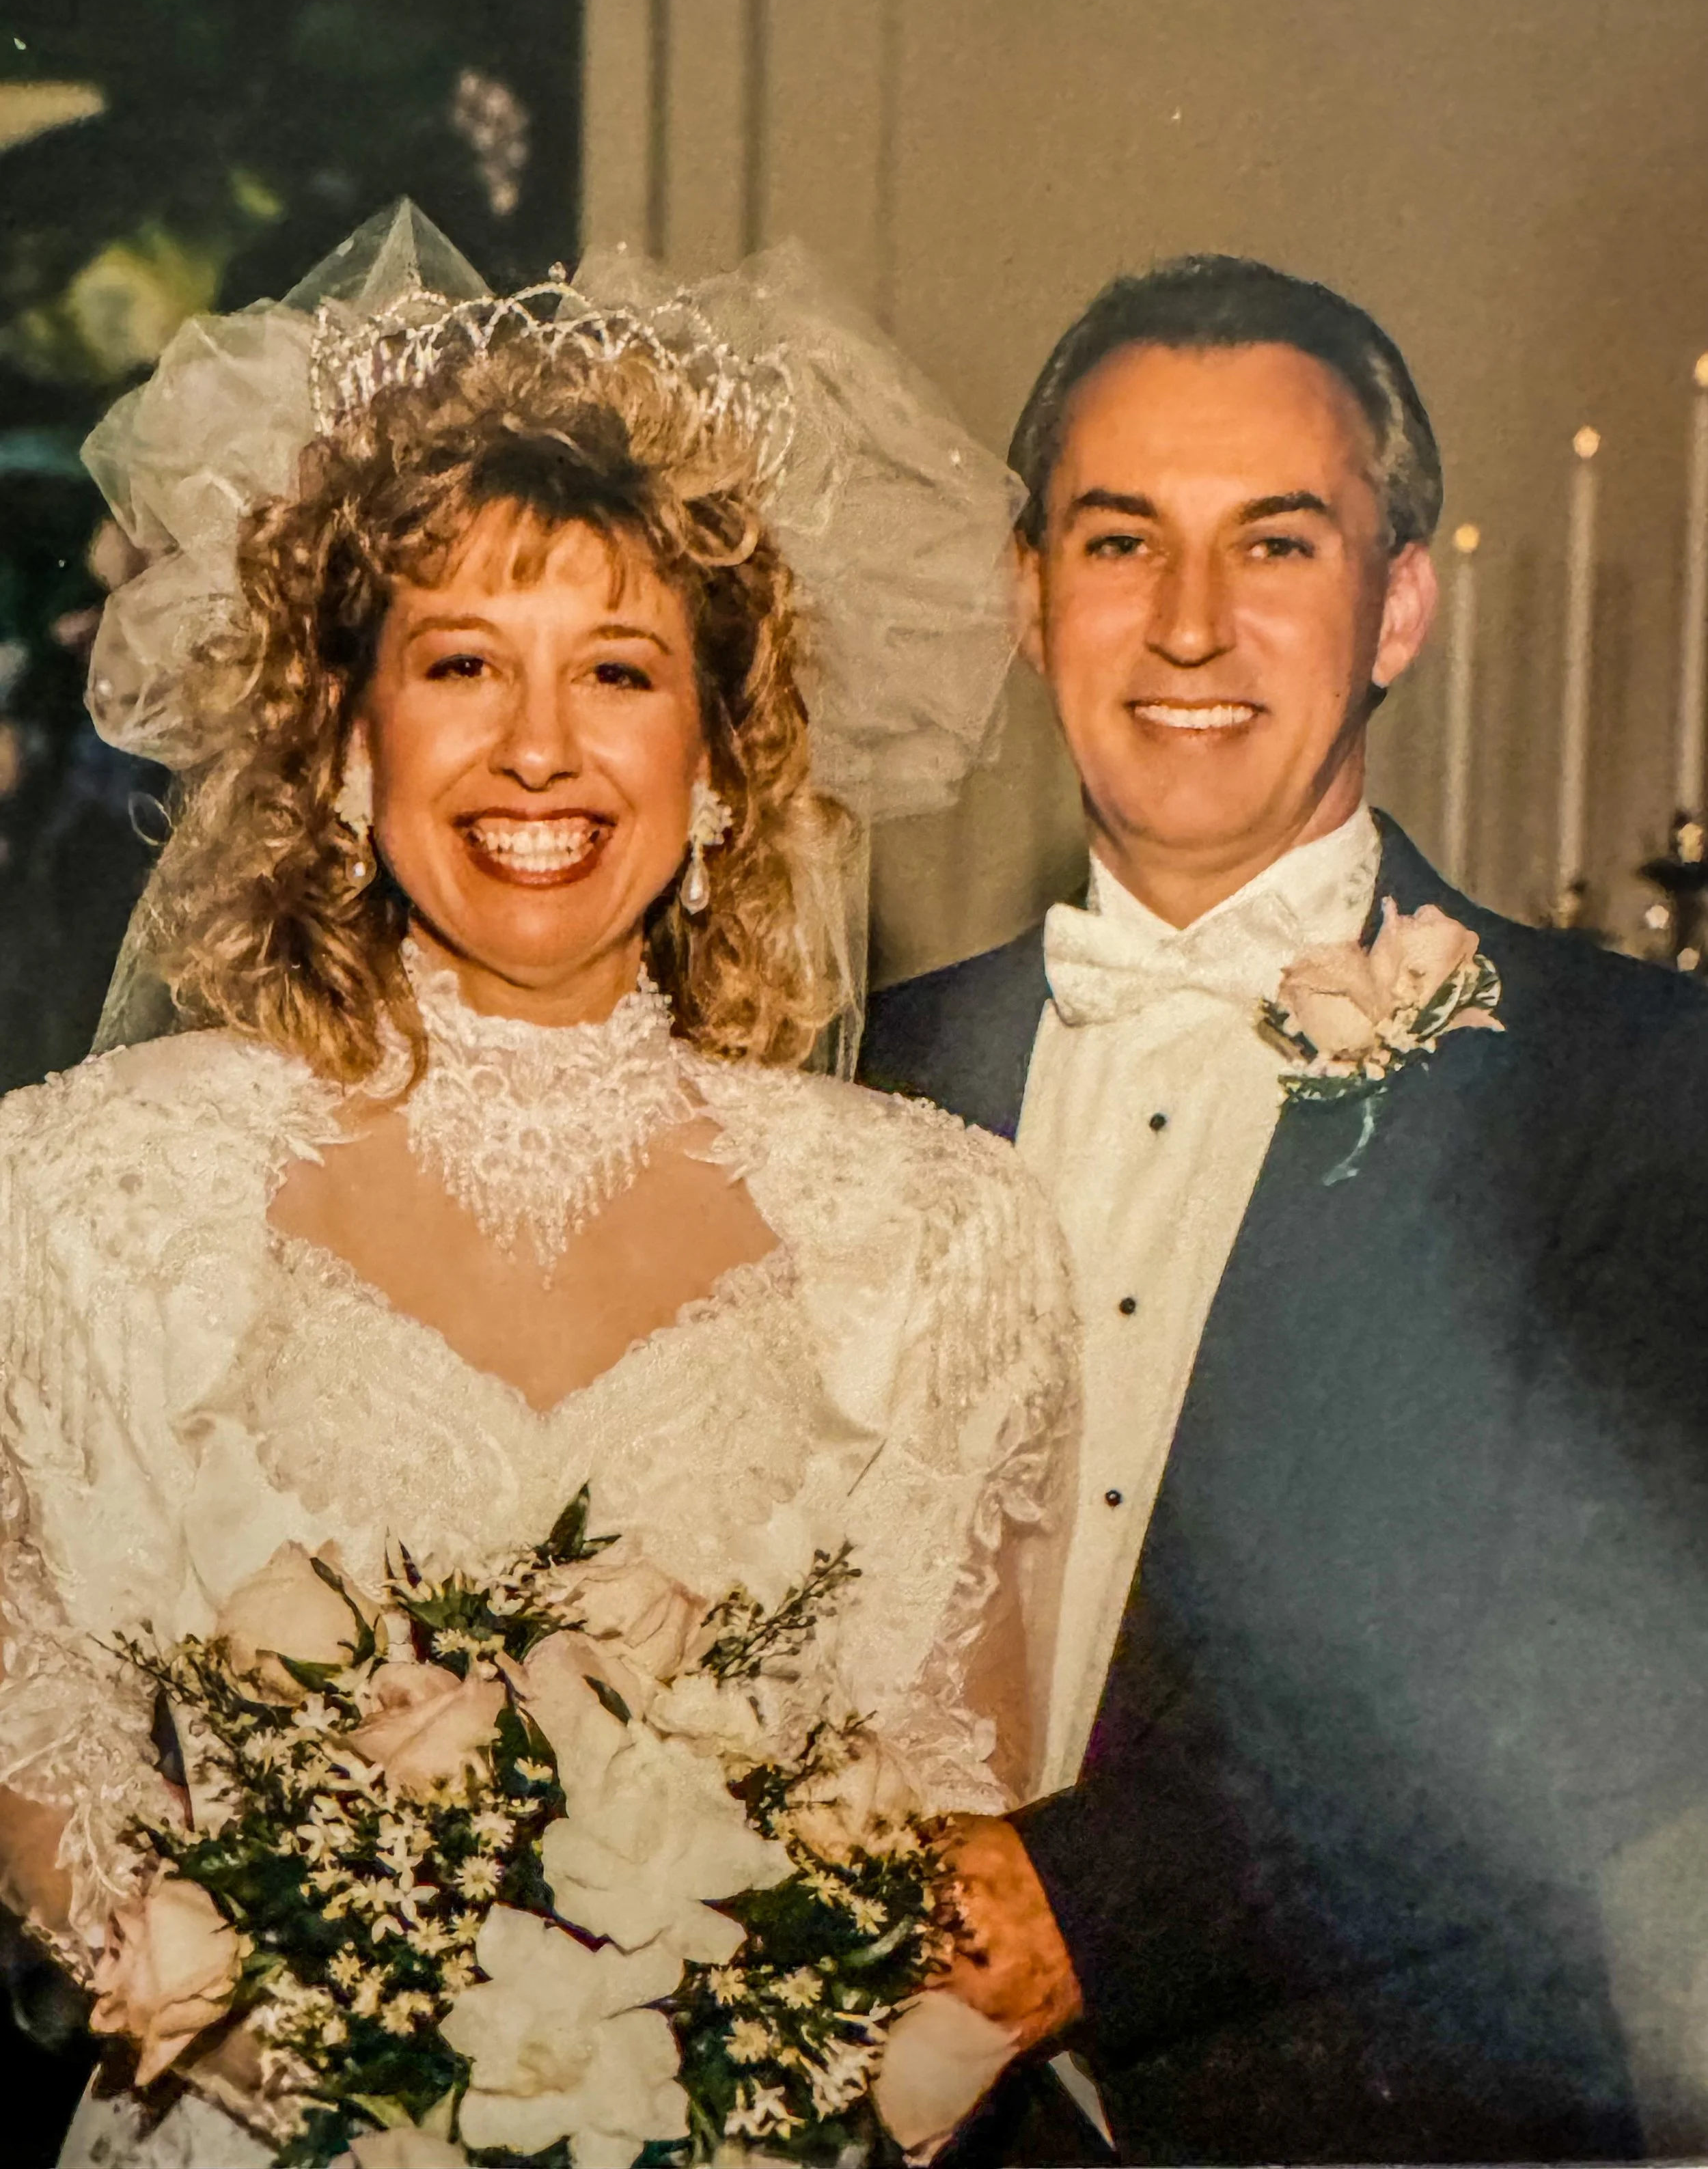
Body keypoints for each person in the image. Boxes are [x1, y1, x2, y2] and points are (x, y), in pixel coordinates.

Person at [0, 209, 1079, 2168]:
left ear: (722, 757)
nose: (538, 749)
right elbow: (39, 1729)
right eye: (461, 663)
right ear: (346, 736)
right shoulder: (85, 1191)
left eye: (619, 670)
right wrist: (367, 2088)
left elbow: (944, 1856)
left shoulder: (938, 1235)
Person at [863, 254, 1708, 2164]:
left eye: (1273, 544)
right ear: (1026, 597)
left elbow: (1606, 1672)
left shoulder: (1631, 1084)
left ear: (1396, 602)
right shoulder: (863, 1076)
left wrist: (1091, 1909)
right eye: (1118, 543)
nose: (1187, 625)